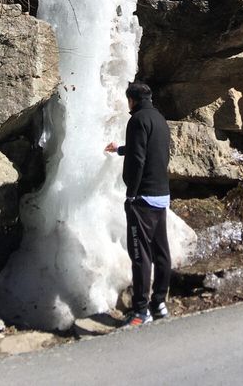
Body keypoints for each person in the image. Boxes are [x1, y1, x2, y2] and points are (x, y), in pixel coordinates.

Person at [105, 80, 171, 327]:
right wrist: (119, 149)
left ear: (132, 100)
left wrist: (131, 194)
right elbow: (149, 150)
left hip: (142, 198)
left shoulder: (137, 120)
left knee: (141, 255)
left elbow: (138, 159)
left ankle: (141, 311)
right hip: (161, 193)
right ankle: (159, 303)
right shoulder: (159, 120)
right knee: (160, 251)